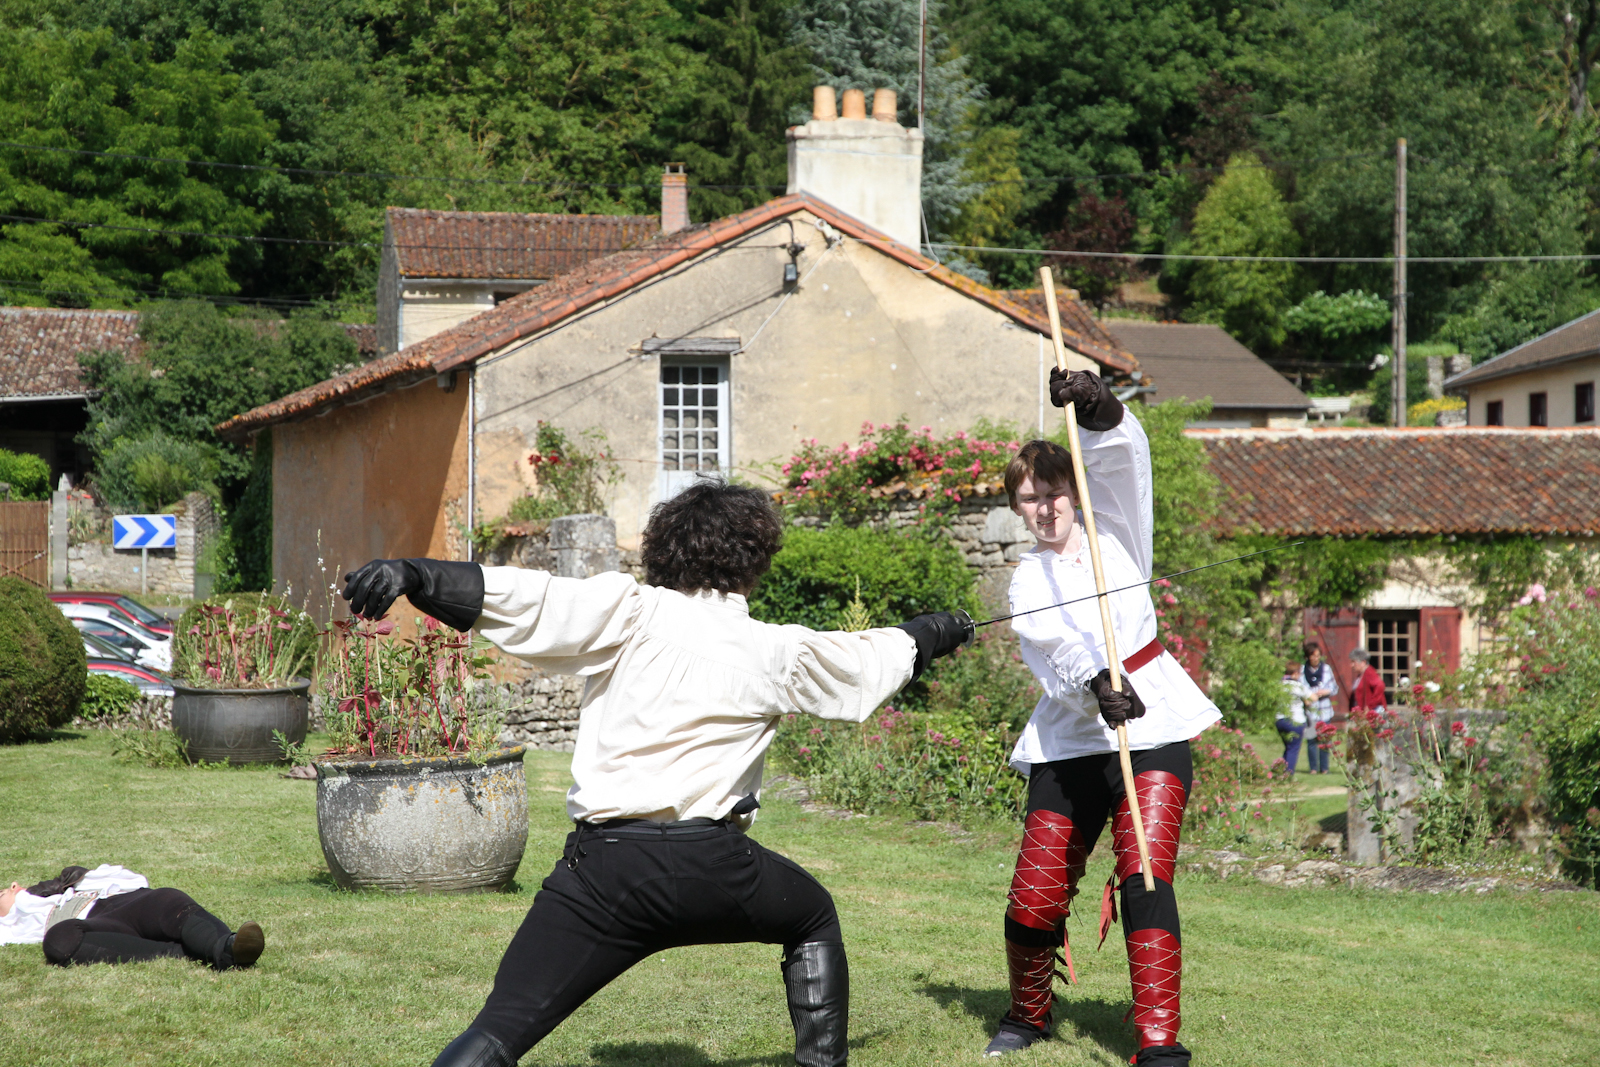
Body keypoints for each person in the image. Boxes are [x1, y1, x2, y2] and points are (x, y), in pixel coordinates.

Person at [339, 481, 974, 1067]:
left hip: (604, 876)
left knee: (500, 1030)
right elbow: (867, 662)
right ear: (754, 558)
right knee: (811, 916)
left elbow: (535, 599)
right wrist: (934, 631)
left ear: (665, 550)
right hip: (716, 871)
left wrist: (416, 574)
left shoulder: (631, 611)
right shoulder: (774, 649)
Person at [984, 369, 1220, 1066]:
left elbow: (1124, 460)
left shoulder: (1115, 531)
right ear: (1018, 508)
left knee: (1146, 875)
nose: (1046, 507)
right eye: (1031, 498)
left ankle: (1158, 1041)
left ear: (1073, 492)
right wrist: (1095, 684)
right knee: (1034, 895)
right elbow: (1051, 647)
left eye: (1055, 491)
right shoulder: (1027, 579)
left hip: (1153, 728)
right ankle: (1027, 1015)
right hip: (1069, 738)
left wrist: (1096, 406)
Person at [0, 864, 264, 970]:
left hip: (127, 902)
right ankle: (189, 952)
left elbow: (128, 878)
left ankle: (228, 947)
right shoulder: (12, 927)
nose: (12, 886)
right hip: (95, 923)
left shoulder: (68, 888)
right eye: (2, 893)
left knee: (167, 898)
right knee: (59, 940)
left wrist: (66, 882)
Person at [1300, 642, 1338, 773]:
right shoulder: (1302, 670)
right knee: (1311, 740)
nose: (1316, 658)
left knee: (1325, 740)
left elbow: (1334, 688)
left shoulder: (1326, 669)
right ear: (1308, 657)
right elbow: (1300, 689)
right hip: (1310, 711)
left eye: (1318, 656)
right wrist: (1307, 697)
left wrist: (1325, 692)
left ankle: (1325, 768)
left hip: (1325, 710)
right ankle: (1313, 768)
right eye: (1313, 656)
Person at [1277, 661, 1312, 775]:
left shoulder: (1279, 685)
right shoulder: (1298, 686)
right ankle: (1288, 775)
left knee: (1288, 747)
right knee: (1293, 749)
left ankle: (1281, 772)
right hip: (1296, 720)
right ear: (1296, 673)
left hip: (1280, 719)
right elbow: (1312, 698)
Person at [1349, 647, 1386, 715]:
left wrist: (1370, 705)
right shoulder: (1361, 675)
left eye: (1354, 662)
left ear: (1363, 662)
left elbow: (1380, 685)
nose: (1351, 665)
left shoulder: (1369, 673)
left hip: (1373, 713)